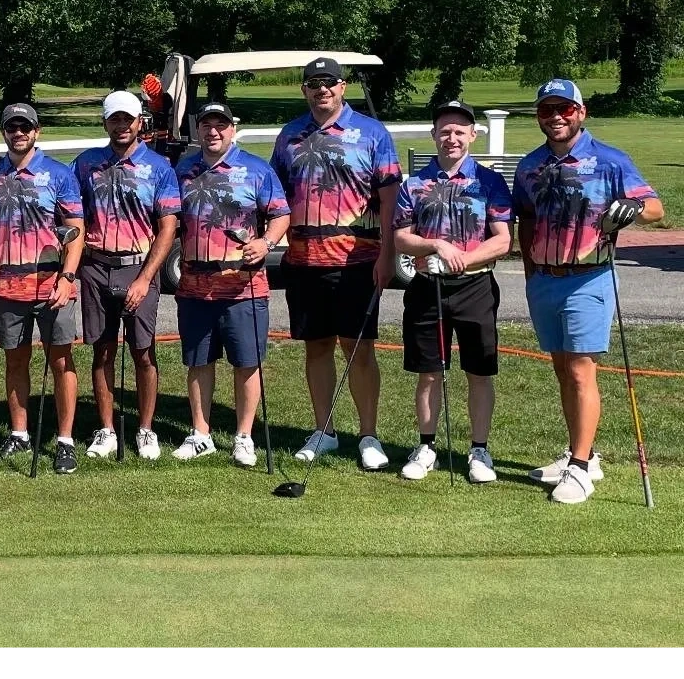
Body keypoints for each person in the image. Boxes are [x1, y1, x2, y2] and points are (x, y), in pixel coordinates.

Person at [513, 78, 663, 504]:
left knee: (581, 370)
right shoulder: (530, 166)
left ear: (580, 112)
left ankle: (579, 469)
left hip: (590, 277)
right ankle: (585, 454)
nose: (555, 117)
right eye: (547, 110)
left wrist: (632, 208)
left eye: (564, 109)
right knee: (563, 369)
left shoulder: (610, 160)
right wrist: (530, 275)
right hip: (544, 278)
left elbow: (655, 209)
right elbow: (526, 220)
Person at [269, 56, 402, 472]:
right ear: (304, 90)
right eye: (313, 84)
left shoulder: (372, 133)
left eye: (329, 82)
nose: (321, 89)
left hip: (356, 260)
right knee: (317, 346)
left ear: (343, 87)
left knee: (358, 349)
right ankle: (323, 430)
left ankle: (368, 435)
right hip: (304, 259)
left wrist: (388, 255)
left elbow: (389, 199)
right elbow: (275, 196)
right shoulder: (290, 135)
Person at [391, 100, 513, 484]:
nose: (452, 138)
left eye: (460, 131)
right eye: (445, 131)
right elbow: (401, 237)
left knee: (479, 371)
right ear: (434, 135)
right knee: (429, 373)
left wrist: (465, 258)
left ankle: (479, 450)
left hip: (476, 287)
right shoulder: (414, 184)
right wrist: (436, 246)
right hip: (427, 289)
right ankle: (426, 446)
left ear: (473, 135)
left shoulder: (489, 182)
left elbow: (503, 240)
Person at [0, 102, 85, 472]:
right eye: (11, 127)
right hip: (6, 285)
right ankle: (19, 433)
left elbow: (76, 230)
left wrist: (68, 278)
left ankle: (65, 441)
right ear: (3, 132)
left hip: (53, 285)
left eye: (25, 127)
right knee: (15, 360)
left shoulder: (59, 174)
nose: (18, 133)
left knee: (61, 360)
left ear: (37, 131)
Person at [172, 103, 290, 467]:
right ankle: (201, 434)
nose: (213, 131)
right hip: (194, 284)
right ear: (198, 130)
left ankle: (243, 437)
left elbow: (281, 214)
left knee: (246, 362)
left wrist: (266, 243)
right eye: (206, 125)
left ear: (232, 129)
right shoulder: (183, 170)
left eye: (220, 125)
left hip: (243, 285)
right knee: (199, 361)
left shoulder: (256, 169)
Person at [72, 90, 181, 459]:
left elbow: (167, 227)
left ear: (139, 122)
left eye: (128, 119)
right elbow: (63, 201)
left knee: (143, 352)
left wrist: (146, 278)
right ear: (105, 123)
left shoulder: (159, 167)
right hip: (95, 266)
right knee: (102, 351)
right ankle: (106, 430)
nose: (122, 125)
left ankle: (146, 429)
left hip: (139, 266)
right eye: (115, 119)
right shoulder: (86, 164)